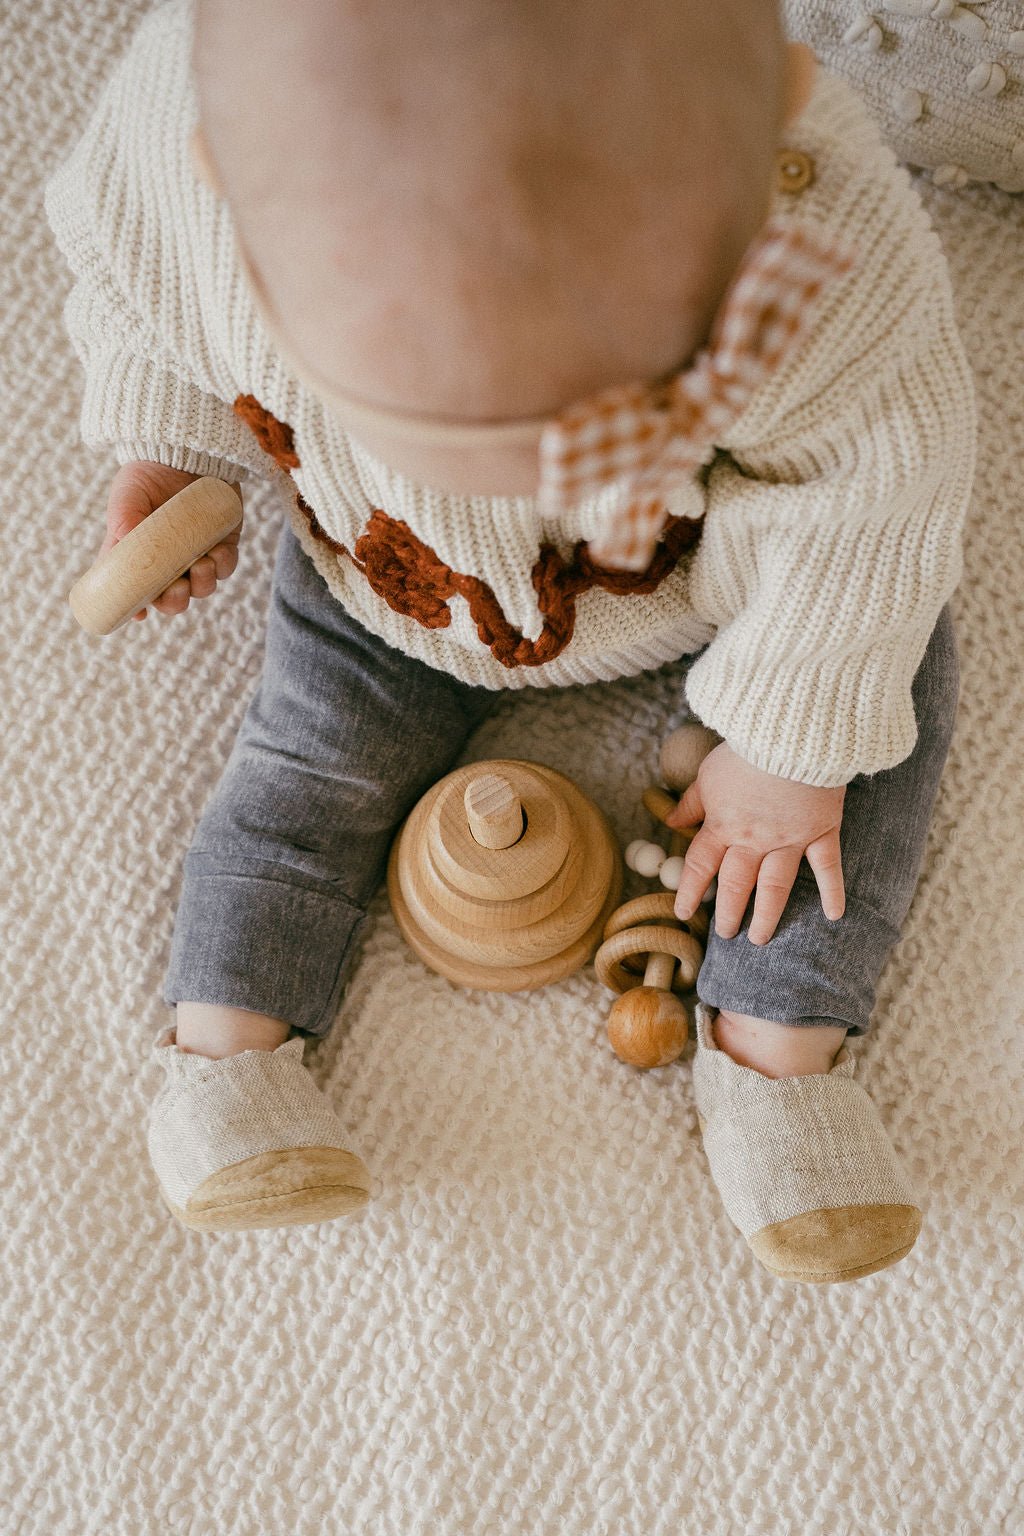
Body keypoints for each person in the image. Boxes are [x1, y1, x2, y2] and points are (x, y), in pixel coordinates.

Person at [45, 0, 973, 1280]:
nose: (520, 479)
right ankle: (226, 1053)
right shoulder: (182, 152)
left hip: (713, 577)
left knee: (874, 686)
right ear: (233, 210)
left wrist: (787, 742)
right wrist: (168, 442)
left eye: (578, 419)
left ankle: (778, 1045)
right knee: (309, 759)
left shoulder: (808, 252)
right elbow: (133, 288)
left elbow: (874, 484)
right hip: (385, 580)